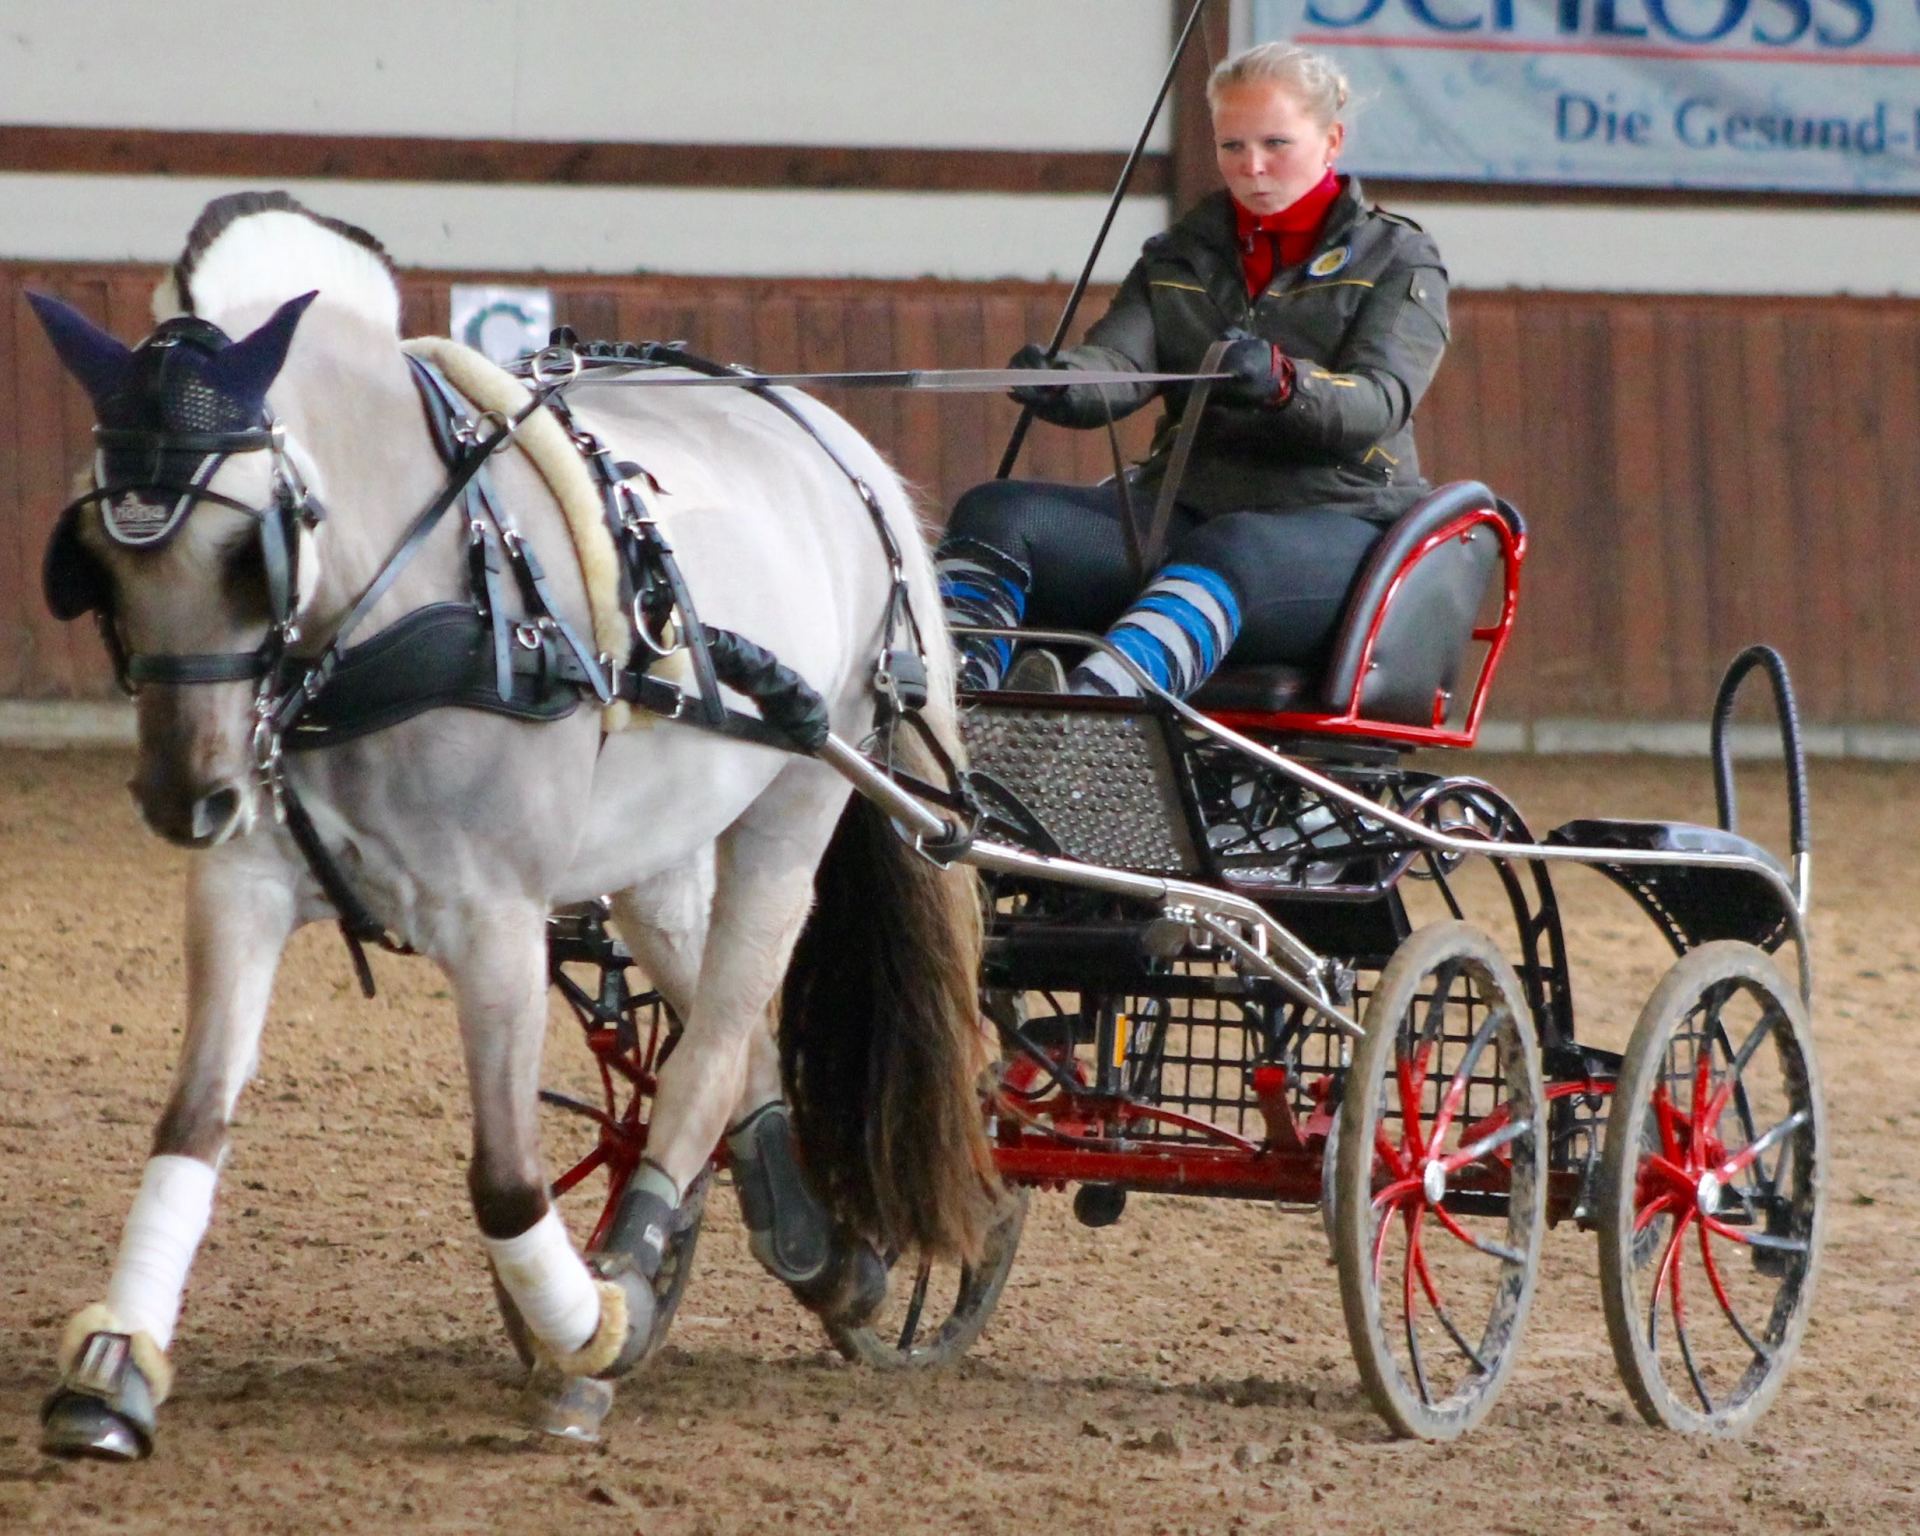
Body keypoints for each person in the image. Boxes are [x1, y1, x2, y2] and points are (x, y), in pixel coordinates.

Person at [937, 42, 1451, 698]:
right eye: (1232, 146)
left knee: (1229, 545)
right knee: (994, 511)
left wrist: (1285, 384)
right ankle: (956, 703)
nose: (1252, 166)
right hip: (1185, 507)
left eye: (1276, 143)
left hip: (1339, 520)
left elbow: (1379, 400)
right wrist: (1065, 382)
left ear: (1332, 140)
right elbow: (1121, 362)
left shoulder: (1399, 256)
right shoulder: (1180, 254)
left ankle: (1095, 711)